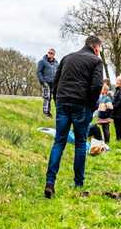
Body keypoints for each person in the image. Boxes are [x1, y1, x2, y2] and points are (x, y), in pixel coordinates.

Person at [44, 35, 105, 199]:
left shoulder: (66, 58)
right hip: (81, 105)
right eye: (100, 49)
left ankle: (50, 182)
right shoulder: (96, 61)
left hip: (63, 102)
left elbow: (55, 83)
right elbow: (97, 85)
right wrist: (91, 105)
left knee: (59, 142)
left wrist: (57, 101)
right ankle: (78, 182)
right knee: (80, 143)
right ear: (96, 48)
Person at [37, 48, 58, 117]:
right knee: (47, 97)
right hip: (46, 82)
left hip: (54, 83)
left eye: (51, 53)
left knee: (55, 97)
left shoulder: (56, 63)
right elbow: (39, 72)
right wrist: (42, 81)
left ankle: (55, 112)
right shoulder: (42, 62)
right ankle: (46, 113)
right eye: (48, 52)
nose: (49, 54)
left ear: (54, 55)